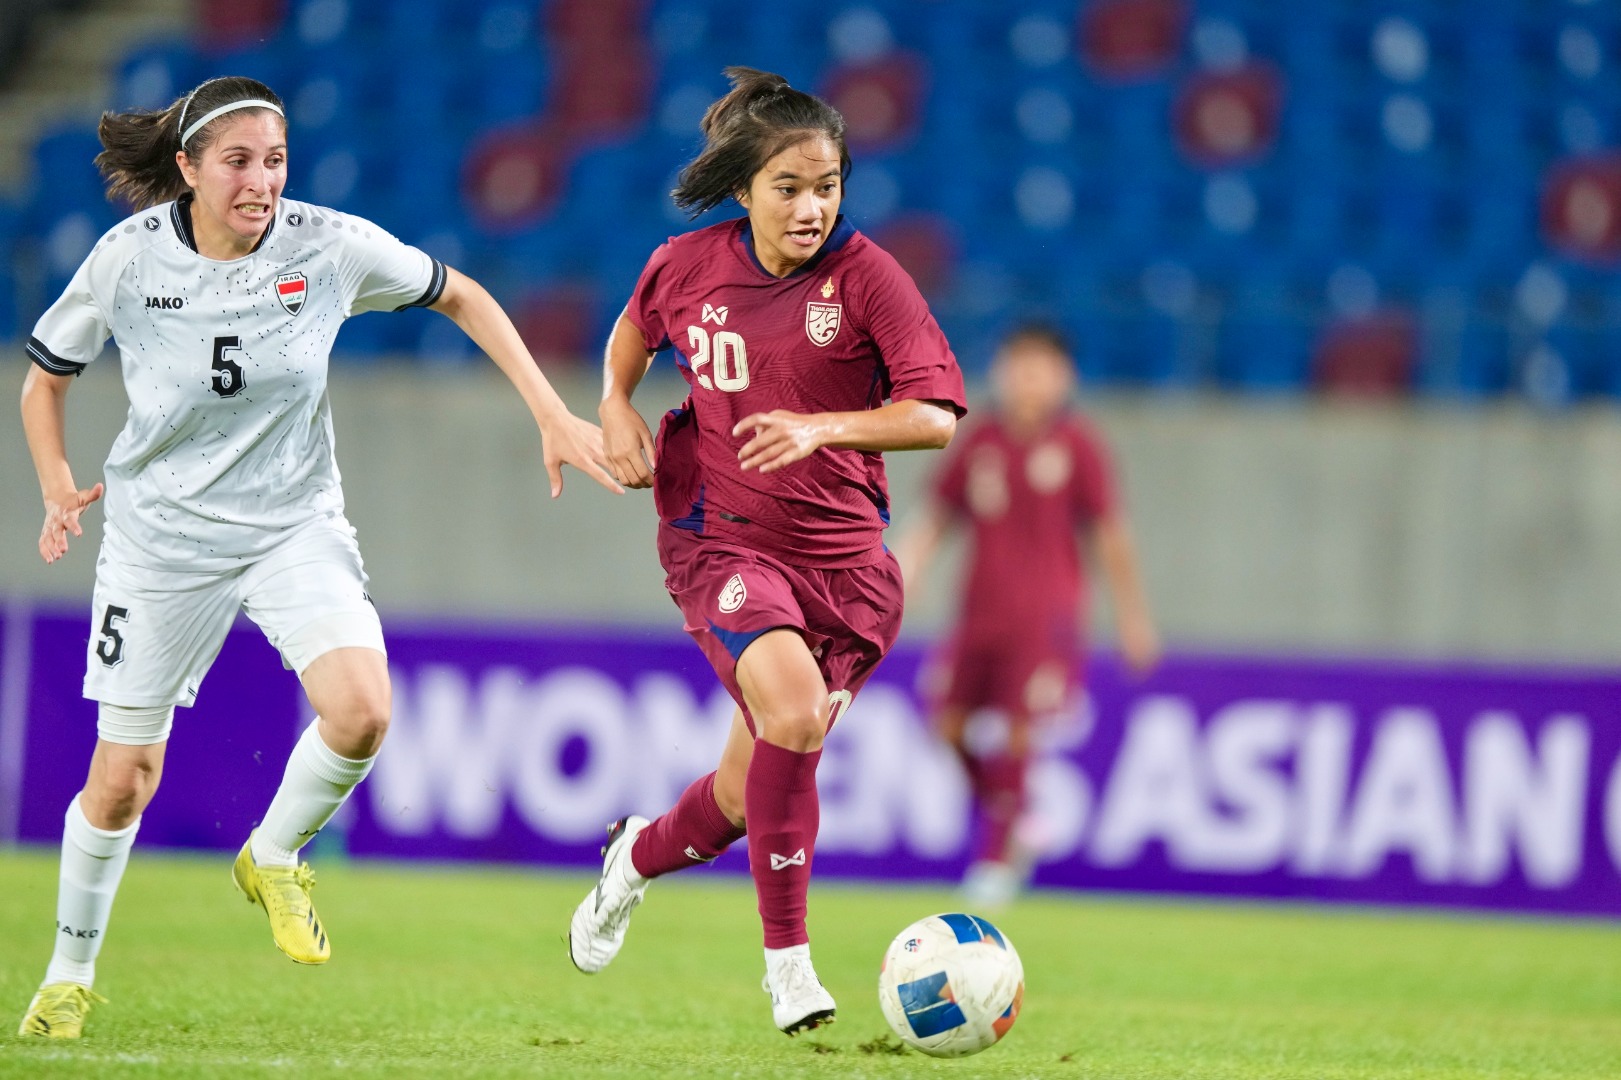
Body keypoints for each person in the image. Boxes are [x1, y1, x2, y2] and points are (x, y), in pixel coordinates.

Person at [17, 75, 620, 1039]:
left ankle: (274, 855)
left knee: (362, 709)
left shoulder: (328, 245)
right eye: (238, 163)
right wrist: (55, 483)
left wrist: (549, 411)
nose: (262, 182)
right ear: (188, 169)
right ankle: (67, 975)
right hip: (160, 542)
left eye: (276, 161)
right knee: (123, 778)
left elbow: (462, 295)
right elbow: (44, 380)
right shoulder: (126, 260)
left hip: (290, 526)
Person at [566, 67, 966, 1036]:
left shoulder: (869, 277)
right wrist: (614, 405)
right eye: (788, 187)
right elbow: (632, 332)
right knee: (792, 714)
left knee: (745, 796)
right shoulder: (687, 265)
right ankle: (788, 968)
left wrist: (822, 427)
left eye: (826, 185)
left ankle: (633, 858)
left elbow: (936, 416)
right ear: (744, 189)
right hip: (724, 542)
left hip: (849, 573)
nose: (810, 206)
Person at [896, 323, 1159, 908]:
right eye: (1018, 366)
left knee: (1018, 731)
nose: (1027, 380)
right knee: (947, 725)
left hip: (1046, 618)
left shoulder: (1078, 444)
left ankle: (994, 864)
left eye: (1040, 369)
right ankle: (1015, 818)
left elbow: (1110, 535)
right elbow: (937, 514)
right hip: (978, 614)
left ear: (1064, 378)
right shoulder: (980, 439)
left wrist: (1132, 618)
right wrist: (906, 569)